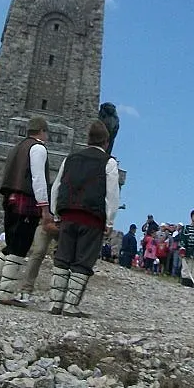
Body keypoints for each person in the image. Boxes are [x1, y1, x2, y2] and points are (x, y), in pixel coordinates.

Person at [49, 120, 119, 316]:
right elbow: (111, 195)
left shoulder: (70, 159)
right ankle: (70, 306)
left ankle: (55, 304)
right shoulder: (109, 162)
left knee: (62, 257)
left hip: (68, 216)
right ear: (106, 141)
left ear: (88, 140)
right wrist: (110, 221)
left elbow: (57, 186)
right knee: (82, 261)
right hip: (92, 219)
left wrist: (55, 213)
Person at [0, 116, 51, 304]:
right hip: (26, 201)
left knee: (10, 245)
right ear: (42, 131)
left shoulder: (17, 147)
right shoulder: (37, 148)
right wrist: (44, 208)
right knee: (20, 247)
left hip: (11, 200)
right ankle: (6, 293)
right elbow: (38, 179)